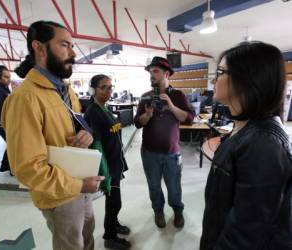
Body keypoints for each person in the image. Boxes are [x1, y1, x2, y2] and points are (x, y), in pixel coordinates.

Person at [1, 20, 104, 250]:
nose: (73, 52)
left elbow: (76, 124)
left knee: (87, 239)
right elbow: (27, 168)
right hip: (59, 196)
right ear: (39, 48)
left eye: (72, 45)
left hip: (82, 185)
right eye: (65, 45)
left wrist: (85, 134)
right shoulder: (24, 99)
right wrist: (78, 185)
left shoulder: (65, 89)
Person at [200, 41, 292, 250]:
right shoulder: (245, 130)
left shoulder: (263, 145)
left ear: (246, 80)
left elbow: (245, 236)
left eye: (221, 72)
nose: (214, 80)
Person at [134, 56, 195, 229]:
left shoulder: (178, 95)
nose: (151, 75)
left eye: (155, 71)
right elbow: (138, 123)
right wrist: (147, 115)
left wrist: (171, 106)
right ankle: (158, 211)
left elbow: (189, 118)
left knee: (174, 187)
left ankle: (177, 211)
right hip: (149, 152)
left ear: (166, 74)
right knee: (154, 187)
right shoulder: (145, 97)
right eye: (150, 72)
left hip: (171, 152)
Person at [84, 74, 131, 250]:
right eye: (103, 87)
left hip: (115, 162)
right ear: (94, 90)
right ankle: (110, 237)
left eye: (110, 87)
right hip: (108, 167)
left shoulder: (104, 108)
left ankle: (115, 224)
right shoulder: (93, 113)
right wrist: (105, 175)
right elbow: (97, 146)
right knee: (114, 202)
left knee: (114, 202)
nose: (108, 91)